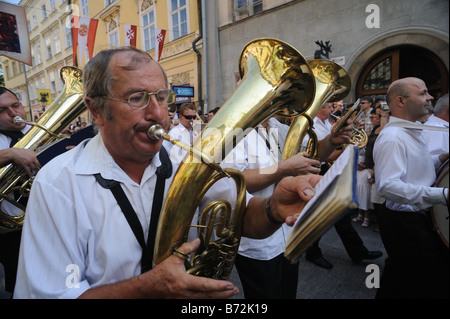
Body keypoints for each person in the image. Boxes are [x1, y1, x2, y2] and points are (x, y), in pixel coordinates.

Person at [13, 47, 323, 299]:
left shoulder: (181, 159)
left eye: (162, 97)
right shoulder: (57, 183)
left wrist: (273, 209)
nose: (157, 113)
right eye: (136, 98)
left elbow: (239, 218)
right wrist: (148, 289)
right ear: (96, 110)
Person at [222, 116, 324, 299]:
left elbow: (312, 154)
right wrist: (283, 168)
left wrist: (334, 140)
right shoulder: (233, 129)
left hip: (289, 231)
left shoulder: (279, 126)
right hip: (258, 240)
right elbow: (234, 182)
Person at [373, 77, 449, 299]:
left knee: (404, 278)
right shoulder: (393, 137)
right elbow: (387, 186)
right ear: (401, 101)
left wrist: (440, 160)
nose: (430, 97)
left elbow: (414, 171)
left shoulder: (411, 130)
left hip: (416, 220)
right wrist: (443, 194)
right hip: (406, 224)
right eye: (423, 93)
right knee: (414, 281)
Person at [304, 102, 383, 269]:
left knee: (340, 215)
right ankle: (312, 251)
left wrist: (352, 129)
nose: (332, 109)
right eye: (328, 106)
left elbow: (339, 144)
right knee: (321, 215)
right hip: (319, 172)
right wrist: (350, 147)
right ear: (318, 108)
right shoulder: (310, 127)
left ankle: (357, 252)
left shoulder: (329, 123)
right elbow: (323, 155)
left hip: (333, 173)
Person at [0, 87, 41, 294]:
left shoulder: (40, 131)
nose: (13, 113)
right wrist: (10, 154)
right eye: (3, 110)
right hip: (13, 231)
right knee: (21, 284)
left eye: (16, 106)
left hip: (48, 219)